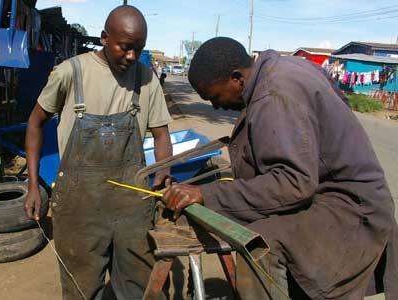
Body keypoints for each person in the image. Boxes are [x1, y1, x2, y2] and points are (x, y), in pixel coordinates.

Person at [163, 37, 398, 299]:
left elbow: (293, 184)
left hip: (351, 206)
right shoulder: (283, 68)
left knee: (262, 243)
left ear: (237, 78)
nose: (216, 106)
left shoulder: (274, 94)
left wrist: (207, 194)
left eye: (215, 96)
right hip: (341, 192)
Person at [24, 5, 173, 299]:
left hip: (133, 204)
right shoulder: (71, 72)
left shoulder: (145, 79)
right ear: (105, 38)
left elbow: (162, 135)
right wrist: (32, 186)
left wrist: (164, 171)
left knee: (138, 287)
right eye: (125, 47)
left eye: (138, 49)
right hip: (80, 207)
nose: (132, 57)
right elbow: (34, 124)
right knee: (81, 289)